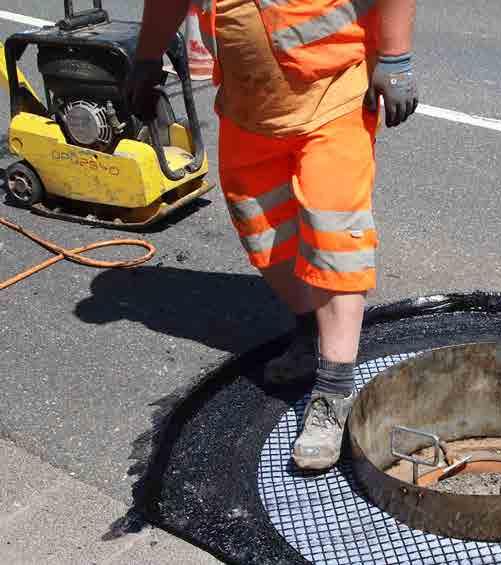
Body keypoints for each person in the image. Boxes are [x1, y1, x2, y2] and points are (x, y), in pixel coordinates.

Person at [129, 0, 418, 470]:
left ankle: (333, 391)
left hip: (334, 93)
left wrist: (396, 57)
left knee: (335, 239)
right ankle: (309, 336)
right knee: (263, 234)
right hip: (250, 106)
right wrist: (146, 59)